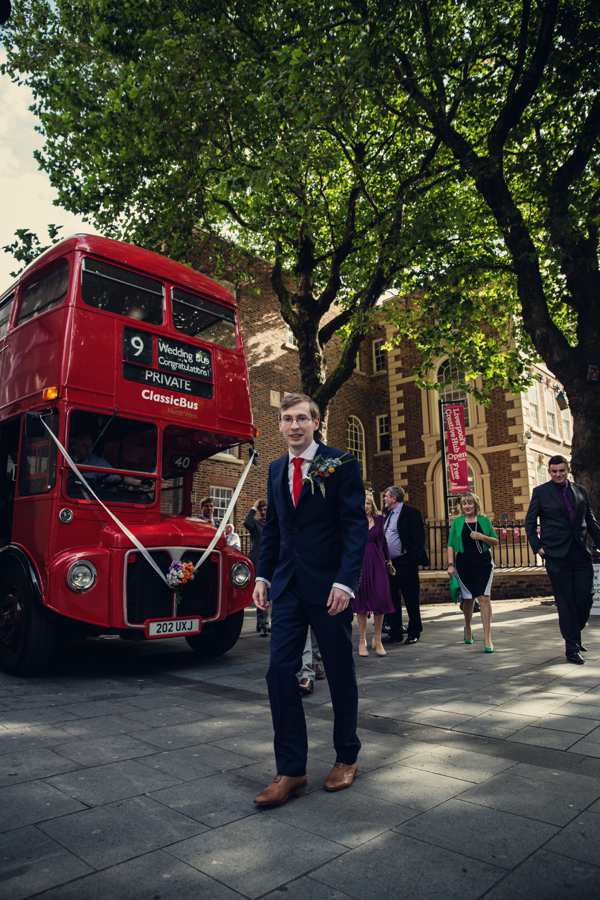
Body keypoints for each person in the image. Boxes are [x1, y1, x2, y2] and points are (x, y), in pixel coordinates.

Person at [252, 392, 368, 806]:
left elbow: (355, 528)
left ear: (315, 423)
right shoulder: (276, 468)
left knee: (338, 672)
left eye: (302, 418)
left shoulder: (340, 463)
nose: (294, 425)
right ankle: (292, 770)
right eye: (287, 419)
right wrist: (263, 575)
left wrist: (345, 582)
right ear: (280, 425)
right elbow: (279, 532)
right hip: (287, 587)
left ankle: (346, 755)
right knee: (279, 673)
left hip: (330, 589)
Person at [525, 455, 600, 665]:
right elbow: (529, 522)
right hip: (556, 555)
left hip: (580, 553)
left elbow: (590, 521)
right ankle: (572, 647)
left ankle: (574, 631)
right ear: (549, 472)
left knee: (584, 598)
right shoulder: (540, 492)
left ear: (568, 470)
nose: (558, 474)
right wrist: (537, 546)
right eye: (554, 471)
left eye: (562, 471)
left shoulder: (581, 491)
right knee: (566, 601)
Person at [447, 492, 499, 652]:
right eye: (464, 504)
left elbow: (495, 541)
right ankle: (468, 627)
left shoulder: (484, 520)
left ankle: (487, 637)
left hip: (483, 563)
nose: (467, 506)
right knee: (468, 599)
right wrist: (450, 564)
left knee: (484, 598)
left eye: (470, 503)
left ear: (475, 504)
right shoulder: (457, 522)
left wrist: (482, 537)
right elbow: (450, 544)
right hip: (464, 564)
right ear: (461, 506)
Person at [381, 486, 426, 645]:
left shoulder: (411, 513)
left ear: (394, 498)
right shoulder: (386, 515)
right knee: (392, 598)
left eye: (386, 496)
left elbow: (419, 539)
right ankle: (395, 632)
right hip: (390, 564)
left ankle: (414, 632)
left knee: (411, 597)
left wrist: (411, 558)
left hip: (406, 561)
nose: (384, 499)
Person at [354, 491, 395, 657]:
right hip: (361, 563)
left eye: (368, 503)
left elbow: (384, 542)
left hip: (378, 562)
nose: (365, 507)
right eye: (363, 503)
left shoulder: (379, 520)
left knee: (380, 599)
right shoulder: (354, 521)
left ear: (373, 505)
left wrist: (388, 561)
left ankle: (377, 639)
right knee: (362, 603)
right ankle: (362, 640)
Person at [244, 500, 270, 635]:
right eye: (261, 510)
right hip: (258, 560)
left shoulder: (272, 523)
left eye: (265, 509)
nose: (263, 512)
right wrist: (254, 507)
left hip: (273, 561)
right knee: (262, 594)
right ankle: (263, 624)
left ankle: (266, 622)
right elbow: (246, 522)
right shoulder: (255, 523)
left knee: (272, 594)